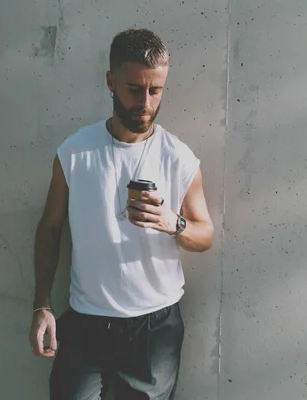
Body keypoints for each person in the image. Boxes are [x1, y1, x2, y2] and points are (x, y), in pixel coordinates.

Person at [28, 28, 214, 400]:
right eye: (134, 88)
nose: (145, 102)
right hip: (85, 323)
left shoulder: (179, 158)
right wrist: (42, 304)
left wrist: (172, 224)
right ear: (110, 81)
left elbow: (204, 233)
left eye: (155, 90)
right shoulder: (74, 153)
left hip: (155, 329)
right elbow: (50, 228)